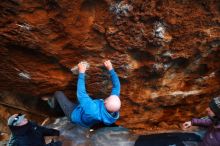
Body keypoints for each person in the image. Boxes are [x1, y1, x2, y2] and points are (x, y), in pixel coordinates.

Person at [53, 60, 121, 128]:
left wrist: (81, 73)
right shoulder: (113, 111)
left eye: (110, 97)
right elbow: (116, 86)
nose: (113, 95)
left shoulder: (93, 109)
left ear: (105, 102)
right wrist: (110, 68)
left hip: (74, 115)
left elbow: (81, 93)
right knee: (86, 98)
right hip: (87, 117)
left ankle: (57, 113)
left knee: (58, 94)